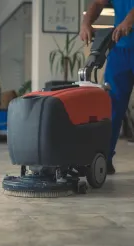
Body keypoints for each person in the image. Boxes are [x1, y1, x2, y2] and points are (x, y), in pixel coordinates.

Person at [80, 0, 134, 175]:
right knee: (111, 107)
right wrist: (86, 22)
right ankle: (104, 159)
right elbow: (97, 3)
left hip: (125, 34)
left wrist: (128, 20)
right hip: (120, 50)